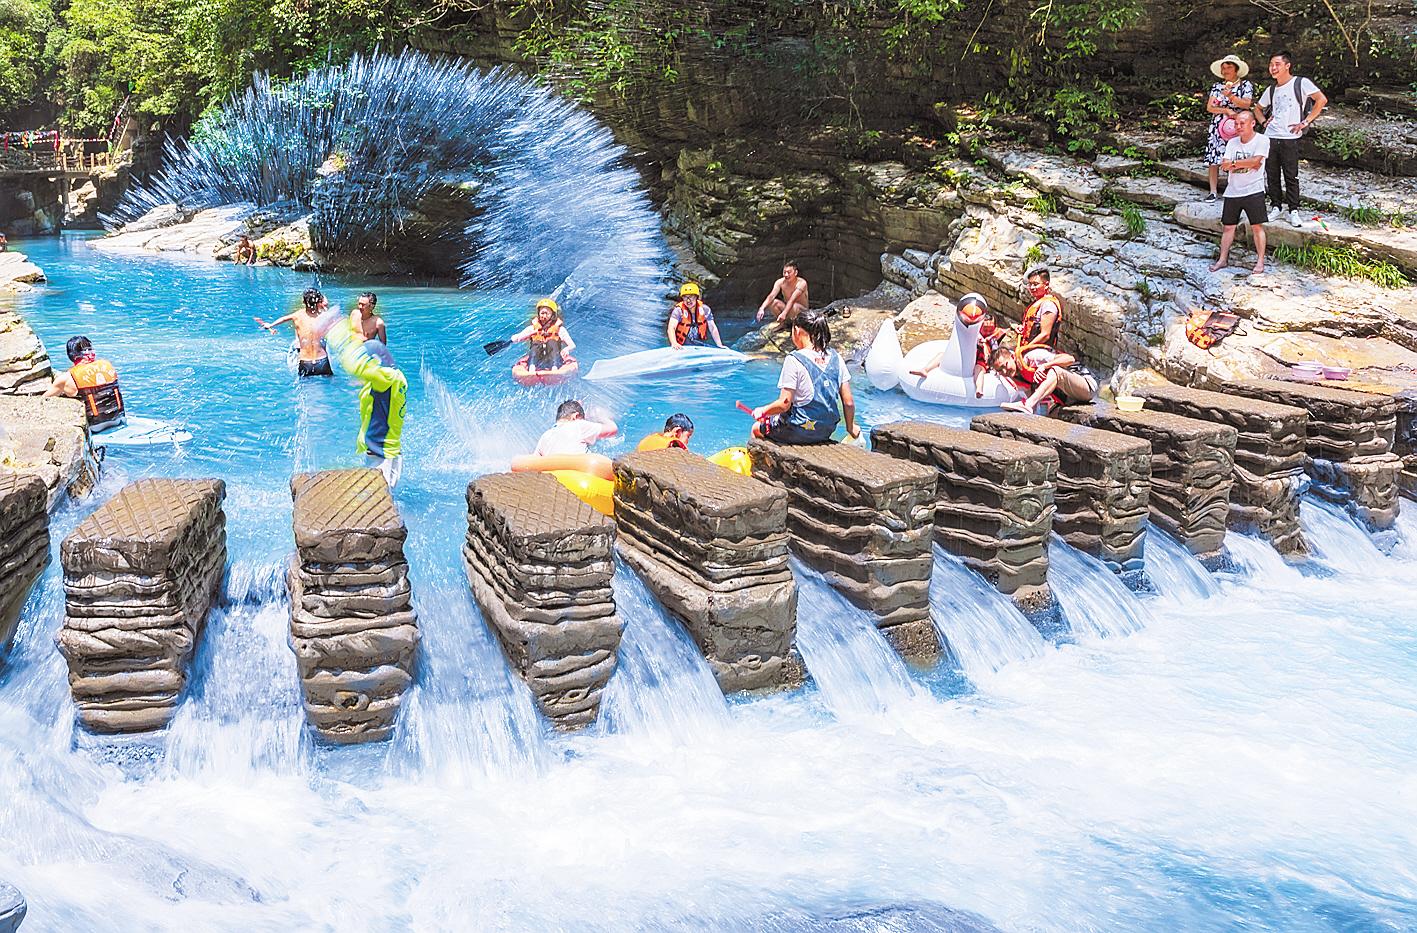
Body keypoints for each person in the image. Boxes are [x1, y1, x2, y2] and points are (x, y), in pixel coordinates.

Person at [750, 309, 859, 444]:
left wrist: (763, 411)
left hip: (799, 429)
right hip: (826, 429)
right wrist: (850, 427)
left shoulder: (794, 359)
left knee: (757, 428)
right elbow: (849, 402)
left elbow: (784, 403)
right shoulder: (836, 357)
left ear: (797, 330)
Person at [1255, 51, 1327, 227]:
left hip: (1290, 137)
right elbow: (1257, 108)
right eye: (1271, 64)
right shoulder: (1271, 89)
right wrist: (1264, 122)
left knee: (1291, 175)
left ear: (1288, 65)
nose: (1273, 68)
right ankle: (1276, 206)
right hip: (1270, 136)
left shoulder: (1300, 83)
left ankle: (1293, 210)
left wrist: (1305, 122)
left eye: (1277, 64)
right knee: (1271, 174)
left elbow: (1321, 100)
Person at [1210, 110, 1270, 275]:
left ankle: (1260, 261)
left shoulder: (1262, 140)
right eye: (1236, 123)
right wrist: (1246, 163)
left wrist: (1236, 163)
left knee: (1257, 226)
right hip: (1233, 190)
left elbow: (1256, 161)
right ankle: (1222, 259)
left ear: (1252, 123)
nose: (1238, 126)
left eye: (1242, 123)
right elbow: (1225, 165)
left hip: (1254, 190)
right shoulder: (1232, 143)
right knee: (1228, 227)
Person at [907, 293, 1000, 399]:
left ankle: (979, 388)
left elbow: (995, 350)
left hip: (980, 359)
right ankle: (925, 369)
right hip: (966, 353)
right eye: (985, 329)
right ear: (981, 324)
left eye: (990, 330)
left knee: (979, 369)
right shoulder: (976, 333)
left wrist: (989, 352)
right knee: (942, 355)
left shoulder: (992, 339)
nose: (987, 332)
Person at [44, 336, 127, 432]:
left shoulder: (66, 378)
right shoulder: (107, 365)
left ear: (71, 356)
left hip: (95, 426)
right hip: (117, 420)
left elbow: (44, 399)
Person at [1204, 55, 1256, 202]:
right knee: (1214, 157)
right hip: (1218, 125)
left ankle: (1234, 188)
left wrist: (1231, 97)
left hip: (1238, 125)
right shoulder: (1217, 86)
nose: (1225, 71)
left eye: (1229, 67)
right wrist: (1226, 111)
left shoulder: (1245, 85)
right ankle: (1213, 191)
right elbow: (1210, 107)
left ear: (1236, 70)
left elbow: (1246, 104)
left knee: (1236, 155)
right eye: (1224, 68)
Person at [356, 340, 406, 488]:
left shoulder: (383, 380)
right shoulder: (397, 378)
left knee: (377, 495)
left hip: (379, 451)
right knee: (388, 496)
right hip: (393, 449)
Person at [992, 346, 1097, 416]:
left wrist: (1045, 366)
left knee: (1055, 371)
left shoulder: (1033, 356)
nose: (1004, 371)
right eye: (1000, 370)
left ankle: (1027, 404)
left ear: (1013, 357)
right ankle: (1027, 406)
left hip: (1086, 386)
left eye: (1005, 365)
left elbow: (1070, 359)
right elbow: (1031, 394)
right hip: (1067, 400)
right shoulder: (1017, 377)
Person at [256, 287, 333, 377]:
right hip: (322, 361)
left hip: (305, 362)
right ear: (319, 301)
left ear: (304, 302)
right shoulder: (324, 316)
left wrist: (270, 325)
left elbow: (283, 319)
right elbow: (326, 304)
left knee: (305, 389)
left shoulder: (297, 315)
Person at [511, 299, 576, 373]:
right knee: (537, 343)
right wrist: (528, 334)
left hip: (555, 360)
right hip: (538, 360)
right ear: (538, 314)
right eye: (542, 313)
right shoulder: (532, 328)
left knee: (552, 342)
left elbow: (572, 345)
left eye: (547, 313)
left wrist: (567, 349)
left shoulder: (560, 330)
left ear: (552, 315)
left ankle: (554, 368)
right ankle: (532, 368)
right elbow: (514, 338)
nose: (544, 316)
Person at [534, 400, 618, 457]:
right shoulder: (579, 425)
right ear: (576, 416)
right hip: (579, 477)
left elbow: (535, 460)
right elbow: (612, 429)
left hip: (552, 478)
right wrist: (602, 417)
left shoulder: (545, 435)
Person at [1018, 267, 1062, 354]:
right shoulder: (1037, 302)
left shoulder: (1048, 305)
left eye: (1035, 284)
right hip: (1030, 349)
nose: (1032, 287)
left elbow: (1045, 335)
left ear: (1046, 284)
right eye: (1030, 284)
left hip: (1040, 352)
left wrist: (1025, 349)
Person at [667, 283, 725, 349]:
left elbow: (712, 328)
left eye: (691, 297)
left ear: (697, 297)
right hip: (681, 346)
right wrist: (674, 343)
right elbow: (671, 328)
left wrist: (719, 344)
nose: (688, 300)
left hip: (698, 345)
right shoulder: (678, 311)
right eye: (685, 297)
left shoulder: (705, 310)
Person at [755, 260, 810, 325]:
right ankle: (783, 322)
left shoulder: (801, 283)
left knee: (794, 306)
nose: (786, 275)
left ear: (795, 273)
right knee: (773, 302)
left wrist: (784, 313)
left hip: (801, 312)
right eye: (784, 272)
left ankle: (794, 324)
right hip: (788, 310)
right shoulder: (780, 282)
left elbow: (792, 300)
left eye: (789, 272)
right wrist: (762, 308)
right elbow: (771, 296)